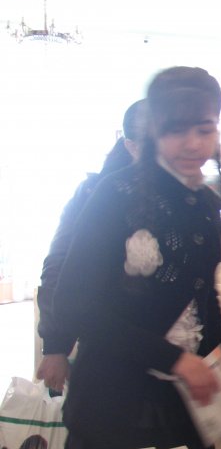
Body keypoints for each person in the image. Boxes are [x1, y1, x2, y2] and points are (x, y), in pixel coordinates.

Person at [54, 67, 221, 449]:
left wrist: (219, 365)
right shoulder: (114, 194)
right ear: (153, 131)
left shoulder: (206, 202)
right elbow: (73, 305)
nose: (192, 144)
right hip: (115, 405)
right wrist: (175, 360)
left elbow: (203, 296)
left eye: (205, 128)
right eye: (176, 130)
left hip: (187, 408)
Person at [35, 99, 148, 393]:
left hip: (169, 360)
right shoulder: (98, 193)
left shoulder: (188, 199)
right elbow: (60, 264)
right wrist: (56, 346)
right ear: (131, 146)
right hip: (109, 349)